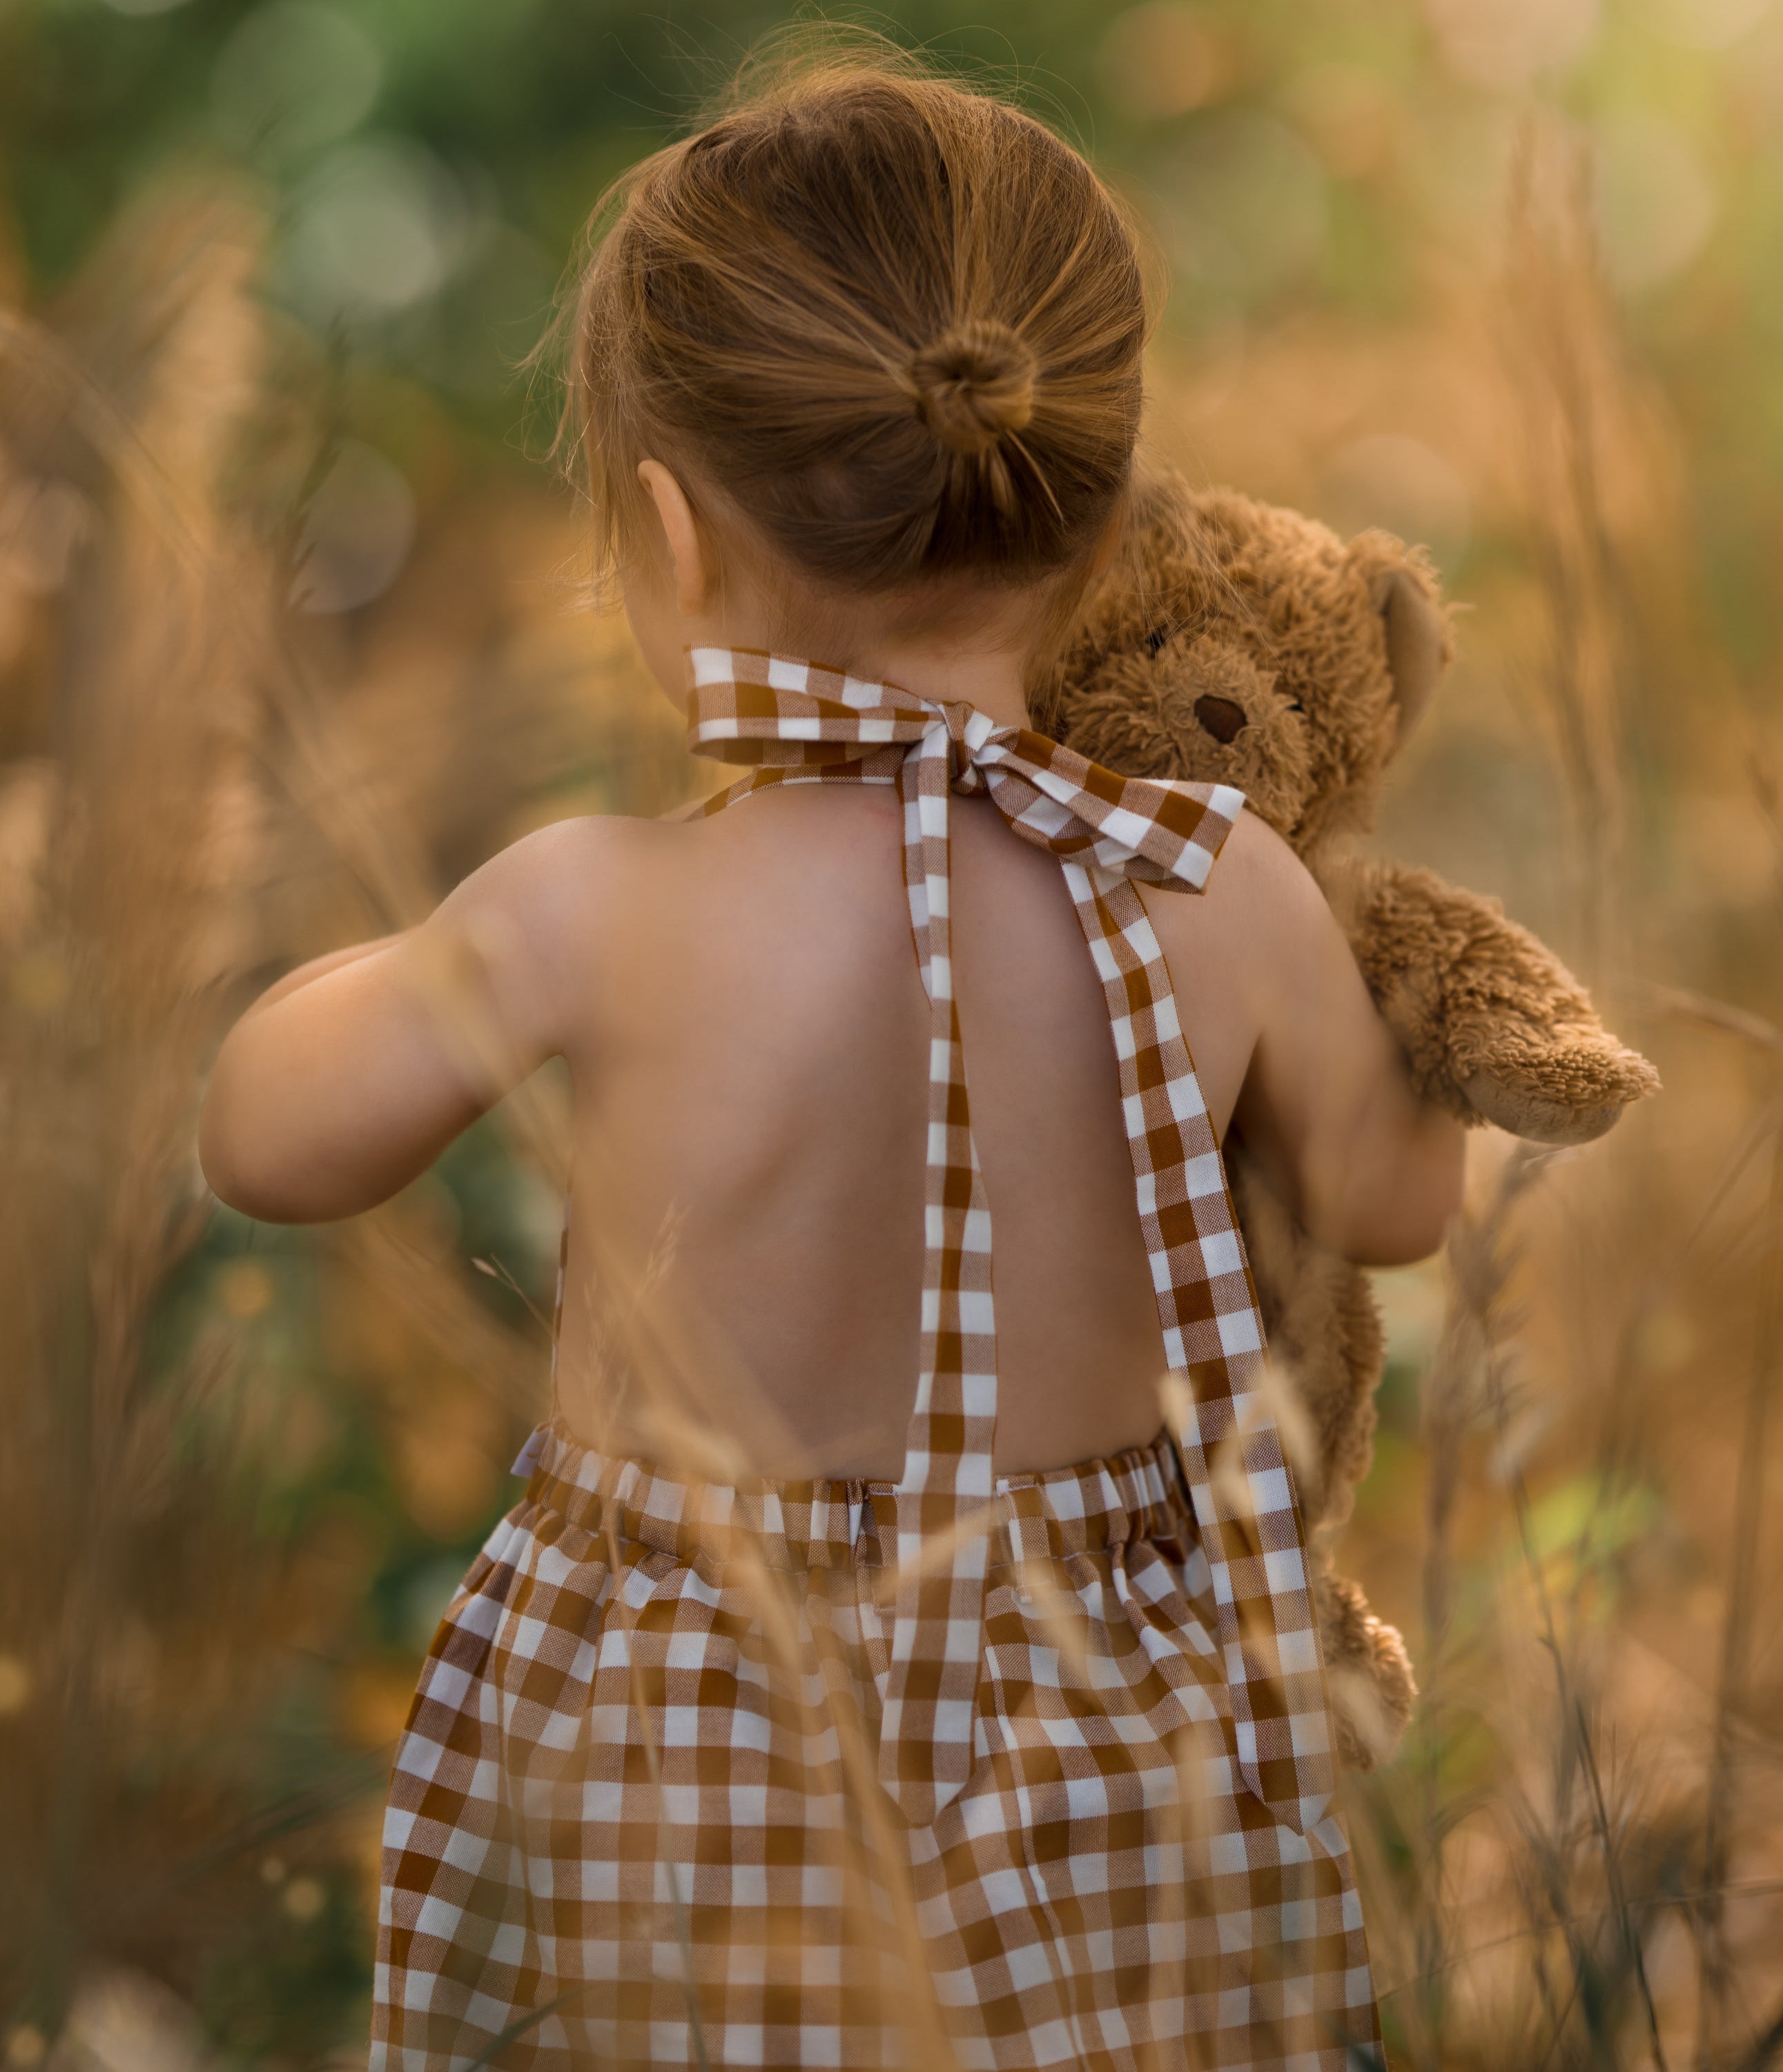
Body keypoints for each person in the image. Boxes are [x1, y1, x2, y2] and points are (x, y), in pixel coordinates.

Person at [199, 50, 1463, 2072]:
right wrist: (1372, 943)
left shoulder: (598, 906)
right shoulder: (1213, 880)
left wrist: (418, 958)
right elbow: (1393, 1200)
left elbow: (267, 1136)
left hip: (687, 1728)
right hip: (1099, 1717)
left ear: (670, 532)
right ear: (1105, 528)